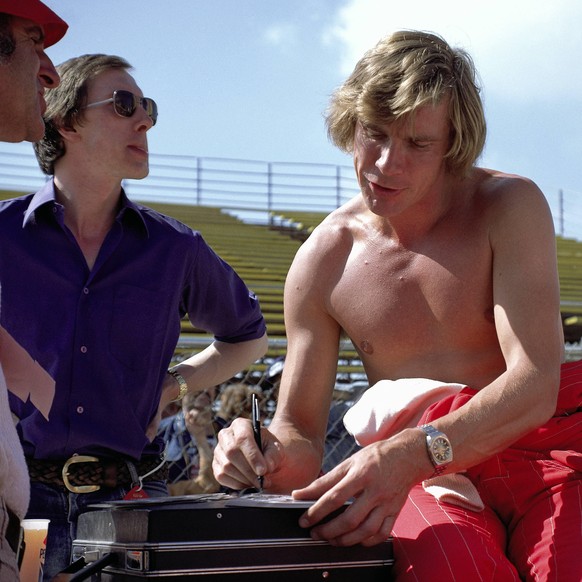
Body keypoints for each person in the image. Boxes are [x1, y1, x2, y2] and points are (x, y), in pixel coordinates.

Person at [213, 31, 582, 580]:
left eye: (418, 143)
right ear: (350, 125)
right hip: (423, 476)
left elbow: (534, 385)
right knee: (450, 571)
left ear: (453, 143)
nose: (387, 163)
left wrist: (414, 450)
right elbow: (301, 434)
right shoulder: (324, 259)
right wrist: (258, 453)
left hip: (542, 455)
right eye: (375, 134)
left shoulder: (508, 206)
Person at [0, 53, 267, 579]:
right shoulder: (3, 236)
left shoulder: (175, 248)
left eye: (147, 107)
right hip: (22, 511)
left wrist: (173, 387)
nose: (144, 119)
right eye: (124, 105)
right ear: (63, 119)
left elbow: (247, 338)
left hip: (132, 509)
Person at [0, 1, 66, 578]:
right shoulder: (10, 230)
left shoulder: (174, 247)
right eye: (31, 41)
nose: (51, 71)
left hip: (25, 538)